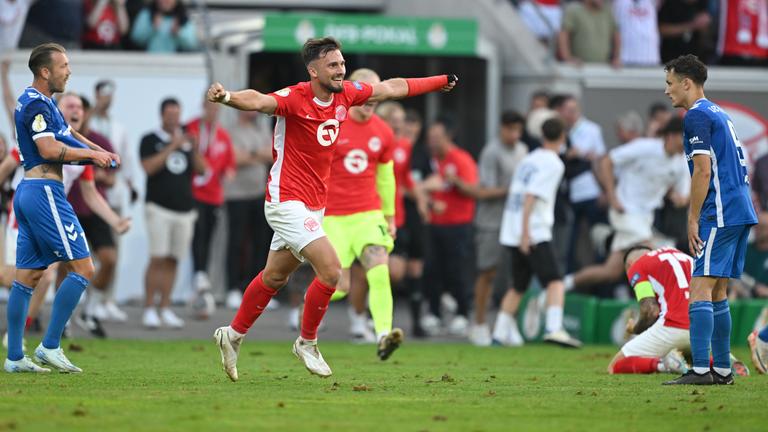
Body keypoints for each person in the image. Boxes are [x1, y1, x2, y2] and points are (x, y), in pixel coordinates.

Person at [210, 36, 456, 381]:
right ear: (314, 71)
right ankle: (307, 342)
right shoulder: (295, 98)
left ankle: (232, 335)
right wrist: (228, 97)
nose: (341, 70)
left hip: (314, 205)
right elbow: (260, 100)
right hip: (286, 201)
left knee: (275, 276)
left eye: (342, 63)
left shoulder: (347, 94)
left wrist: (439, 81)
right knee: (331, 270)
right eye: (333, 65)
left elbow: (392, 87)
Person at [4, 43, 120, 373]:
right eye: (63, 66)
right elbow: (49, 148)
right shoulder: (36, 105)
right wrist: (93, 156)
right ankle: (51, 345)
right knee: (84, 269)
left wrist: (100, 152)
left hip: (30, 191)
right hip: (44, 192)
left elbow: (71, 135)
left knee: (28, 277)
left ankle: (15, 357)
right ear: (45, 71)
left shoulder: (44, 102)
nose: (68, 71)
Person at [662, 54, 758, 385]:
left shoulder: (696, 116)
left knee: (699, 287)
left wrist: (692, 219)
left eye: (670, 83)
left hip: (721, 211)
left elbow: (703, 170)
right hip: (740, 209)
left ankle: (701, 369)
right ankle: (723, 370)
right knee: (718, 290)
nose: (667, 90)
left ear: (686, 83)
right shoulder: (718, 112)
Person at [323, 68, 404, 360]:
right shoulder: (332, 123)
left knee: (379, 270)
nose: (372, 98)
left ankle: (383, 336)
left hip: (368, 215)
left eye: (376, 93)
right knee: (339, 287)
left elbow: (386, 177)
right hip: (332, 217)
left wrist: (390, 217)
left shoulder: (383, 131)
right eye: (366, 92)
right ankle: (307, 308)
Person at [564, 117, 690, 296]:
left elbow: (683, 196)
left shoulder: (682, 162)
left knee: (610, 272)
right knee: (651, 253)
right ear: (671, 135)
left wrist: (678, 198)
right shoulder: (644, 147)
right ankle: (650, 301)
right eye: (685, 138)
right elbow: (607, 161)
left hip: (645, 218)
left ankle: (564, 284)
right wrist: (612, 196)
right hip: (624, 211)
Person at [494, 117, 581, 348]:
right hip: (533, 232)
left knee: (518, 286)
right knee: (555, 281)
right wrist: (526, 234)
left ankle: (498, 335)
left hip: (512, 229)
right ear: (562, 136)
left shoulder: (529, 158)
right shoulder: (554, 163)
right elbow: (530, 196)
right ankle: (554, 328)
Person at [455, 111, 528, 346]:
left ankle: (508, 323)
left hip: (515, 222)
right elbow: (483, 191)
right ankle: (479, 324)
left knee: (514, 275)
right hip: (491, 222)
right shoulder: (491, 152)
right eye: (511, 129)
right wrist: (513, 190)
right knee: (488, 272)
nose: (514, 135)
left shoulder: (523, 150)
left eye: (518, 130)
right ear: (502, 128)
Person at [140, 97, 206, 329]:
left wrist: (193, 148)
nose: (173, 119)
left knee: (173, 260)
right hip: (158, 208)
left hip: (185, 210)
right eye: (169, 115)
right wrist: (172, 146)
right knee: (157, 258)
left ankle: (165, 307)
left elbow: (202, 169)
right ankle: (149, 308)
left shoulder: (186, 141)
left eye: (176, 115)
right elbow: (149, 168)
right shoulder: (150, 139)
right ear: (162, 115)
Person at [421, 115, 477, 337]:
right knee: (433, 270)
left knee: (458, 270)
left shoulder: (461, 159)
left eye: (437, 137)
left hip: (458, 224)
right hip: (435, 223)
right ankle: (434, 313)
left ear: (448, 137)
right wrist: (431, 203)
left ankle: (463, 313)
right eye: (430, 137)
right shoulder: (431, 161)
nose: (432, 142)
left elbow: (474, 190)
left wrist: (456, 181)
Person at [186, 96, 235, 309]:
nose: (214, 112)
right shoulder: (191, 128)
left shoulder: (222, 135)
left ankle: (202, 276)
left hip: (214, 196)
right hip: (194, 193)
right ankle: (198, 274)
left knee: (208, 238)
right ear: (203, 107)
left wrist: (229, 174)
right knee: (197, 235)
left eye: (217, 109)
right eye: (211, 108)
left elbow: (230, 165)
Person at [223, 110, 273, 310]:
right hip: (236, 195)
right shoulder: (231, 131)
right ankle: (233, 288)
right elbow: (233, 158)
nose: (255, 110)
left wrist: (249, 154)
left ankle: (258, 291)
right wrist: (258, 154)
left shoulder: (261, 129)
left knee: (260, 243)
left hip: (260, 193)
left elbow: (272, 154)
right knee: (236, 242)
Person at [558, 0, 620, 66]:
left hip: (604, 66)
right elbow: (563, 35)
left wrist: (616, 58)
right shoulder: (574, 10)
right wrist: (567, 58)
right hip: (579, 67)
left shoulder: (607, 11)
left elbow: (616, 35)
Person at [130, 0, 198, 53]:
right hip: (149, 61)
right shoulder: (147, 13)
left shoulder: (182, 16)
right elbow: (136, 38)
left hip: (176, 62)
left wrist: (178, 33)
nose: (164, 1)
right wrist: (152, 28)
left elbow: (192, 43)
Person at [612, 0, 659, 66]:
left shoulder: (651, 3)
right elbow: (614, 30)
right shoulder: (619, 3)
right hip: (626, 59)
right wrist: (616, 56)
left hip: (650, 58)